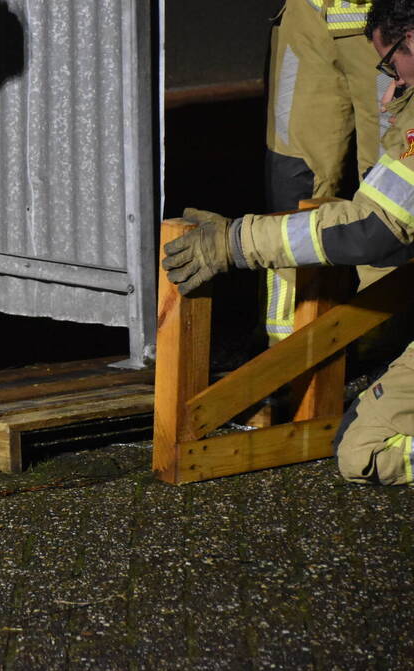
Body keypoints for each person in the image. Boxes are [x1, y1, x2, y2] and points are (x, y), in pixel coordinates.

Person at [163, 0, 414, 485]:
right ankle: (287, 365)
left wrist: (236, 243)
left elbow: (374, 228)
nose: (387, 95)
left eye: (393, 73)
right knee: (300, 185)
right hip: (320, 18)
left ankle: (371, 341)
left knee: (363, 453)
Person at [264, 0, 388, 344]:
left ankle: (383, 352)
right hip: (306, 16)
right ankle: (284, 348)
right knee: (292, 182)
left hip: (388, 17)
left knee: (389, 190)